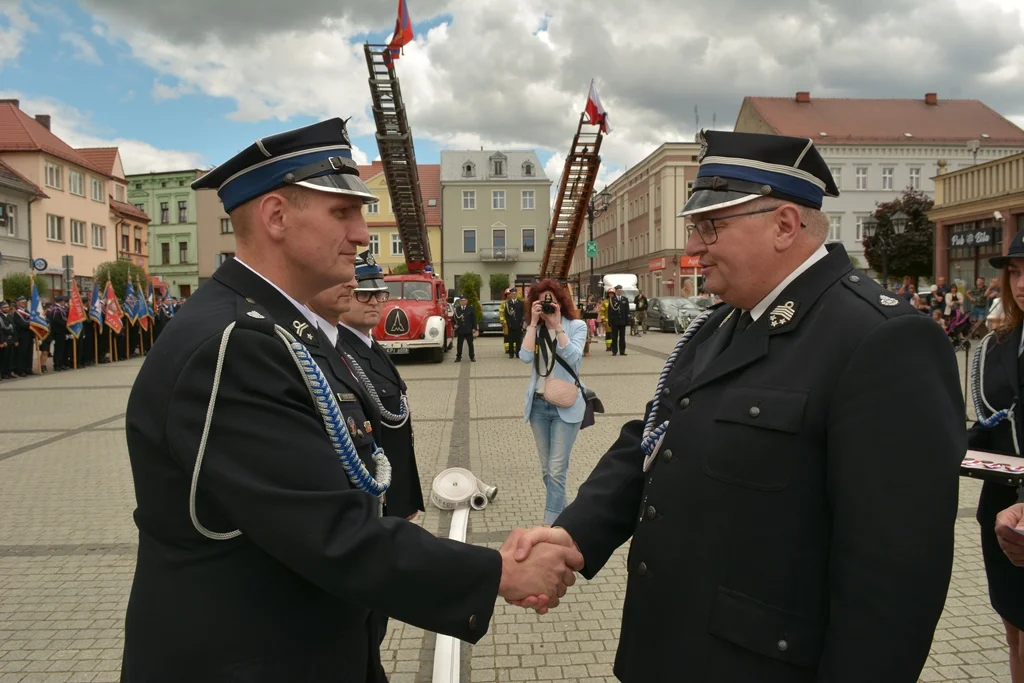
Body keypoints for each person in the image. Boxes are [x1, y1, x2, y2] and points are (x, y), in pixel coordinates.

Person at [120, 118, 582, 683]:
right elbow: (330, 532)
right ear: (275, 217)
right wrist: (497, 573)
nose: (363, 235)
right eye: (343, 212)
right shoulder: (238, 344)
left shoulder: (286, 332)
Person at [509, 129, 965, 682]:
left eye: (711, 226)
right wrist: (573, 534)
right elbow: (653, 438)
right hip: (670, 649)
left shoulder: (882, 339)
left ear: (784, 225)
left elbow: (895, 577)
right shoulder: (722, 322)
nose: (695, 246)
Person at [965, 230, 1024, 681]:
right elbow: (986, 432)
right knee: (1014, 632)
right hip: (1002, 514)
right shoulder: (995, 346)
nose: (1021, 283)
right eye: (1016, 273)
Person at [330, 253, 425, 522]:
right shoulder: (340, 353)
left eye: (380, 294)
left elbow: (399, 430)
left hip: (394, 493)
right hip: (375, 497)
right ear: (345, 293)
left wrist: (406, 496)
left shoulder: (370, 346)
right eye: (363, 294)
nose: (374, 301)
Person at [518, 279, 589, 525]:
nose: (548, 304)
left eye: (552, 300)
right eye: (542, 301)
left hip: (565, 406)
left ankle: (551, 526)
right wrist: (534, 323)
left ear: (561, 302)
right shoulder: (534, 328)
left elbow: (575, 358)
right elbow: (525, 357)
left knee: (557, 470)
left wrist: (557, 327)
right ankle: (566, 517)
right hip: (538, 406)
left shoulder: (576, 326)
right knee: (548, 472)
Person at [501, 286, 526, 358]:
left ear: (516, 294)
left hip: (518, 324)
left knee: (518, 340)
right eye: (512, 293)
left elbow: (522, 314)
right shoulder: (508, 303)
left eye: (515, 293)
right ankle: (511, 354)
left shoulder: (520, 303)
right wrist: (508, 324)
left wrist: (521, 324)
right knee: (511, 340)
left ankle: (518, 353)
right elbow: (506, 315)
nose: (514, 295)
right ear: (510, 295)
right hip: (511, 325)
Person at [453, 295, 477, 362]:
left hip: (468, 329)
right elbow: (453, 319)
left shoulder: (470, 308)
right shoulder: (457, 309)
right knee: (459, 344)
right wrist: (454, 325)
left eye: (464, 301)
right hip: (460, 329)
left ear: (467, 301)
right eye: (461, 301)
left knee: (470, 344)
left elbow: (474, 319)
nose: (462, 302)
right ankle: (458, 357)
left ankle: (472, 357)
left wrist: (474, 328)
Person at [608, 284, 629, 355]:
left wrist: (627, 320)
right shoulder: (612, 300)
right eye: (618, 291)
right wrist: (609, 321)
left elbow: (627, 311)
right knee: (614, 337)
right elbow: (610, 311)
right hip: (615, 321)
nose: (620, 292)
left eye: (621, 290)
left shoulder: (625, 299)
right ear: (616, 291)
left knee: (622, 337)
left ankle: (622, 351)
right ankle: (614, 351)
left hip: (622, 321)